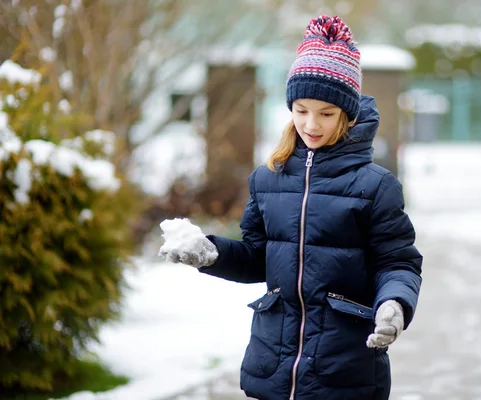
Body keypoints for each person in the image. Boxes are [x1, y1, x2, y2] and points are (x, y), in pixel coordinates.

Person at [159, 14, 423, 400]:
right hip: (273, 368)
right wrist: (211, 253)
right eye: (301, 109)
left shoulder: (375, 186)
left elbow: (397, 262)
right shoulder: (267, 179)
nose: (311, 124)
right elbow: (258, 258)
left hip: (344, 372)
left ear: (348, 113)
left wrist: (394, 304)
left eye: (326, 113)